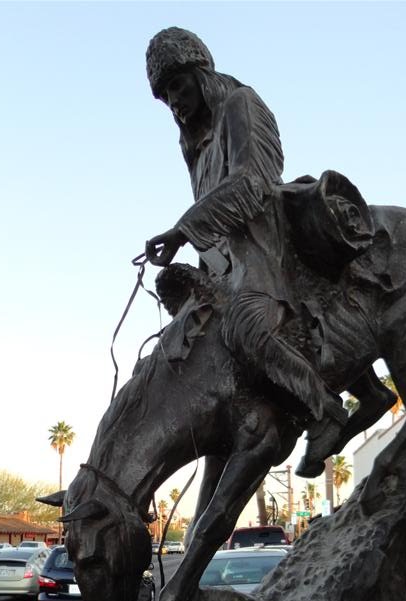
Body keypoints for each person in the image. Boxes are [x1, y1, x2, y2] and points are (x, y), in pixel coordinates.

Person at [144, 27, 346, 471]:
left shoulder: (241, 104)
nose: (173, 101)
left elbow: (253, 182)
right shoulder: (193, 149)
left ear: (201, 74)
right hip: (224, 271)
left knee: (245, 328)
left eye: (177, 85)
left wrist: (182, 229)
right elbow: (209, 223)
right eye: (164, 97)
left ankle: (326, 409)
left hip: (265, 254)